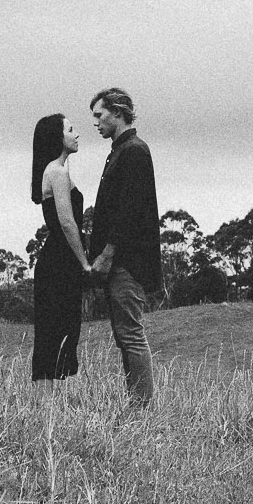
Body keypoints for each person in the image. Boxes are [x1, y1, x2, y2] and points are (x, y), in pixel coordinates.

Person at [86, 86, 159, 406]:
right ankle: (136, 404)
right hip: (121, 262)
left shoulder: (134, 151)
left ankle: (141, 409)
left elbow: (129, 212)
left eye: (99, 115)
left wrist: (107, 254)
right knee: (124, 335)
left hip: (129, 263)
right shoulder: (120, 150)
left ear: (118, 112)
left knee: (131, 334)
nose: (96, 122)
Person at [29, 113, 90, 382]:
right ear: (58, 137)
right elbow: (67, 223)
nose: (76, 135)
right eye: (70, 130)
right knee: (55, 332)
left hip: (59, 261)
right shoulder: (56, 170)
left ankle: (53, 406)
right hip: (59, 262)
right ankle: (47, 406)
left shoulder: (58, 169)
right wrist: (85, 262)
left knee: (60, 330)